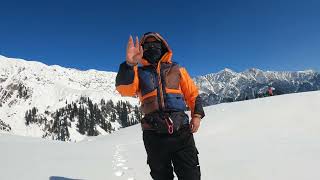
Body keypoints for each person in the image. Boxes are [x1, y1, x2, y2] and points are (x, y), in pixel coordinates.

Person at [115, 32, 205, 180]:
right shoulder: (137, 73)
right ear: (142, 49)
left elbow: (193, 95)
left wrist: (196, 116)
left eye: (155, 45)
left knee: (191, 175)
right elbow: (124, 90)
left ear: (163, 47)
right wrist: (129, 65)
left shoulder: (178, 70)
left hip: (182, 133)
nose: (152, 48)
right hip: (154, 136)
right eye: (147, 45)